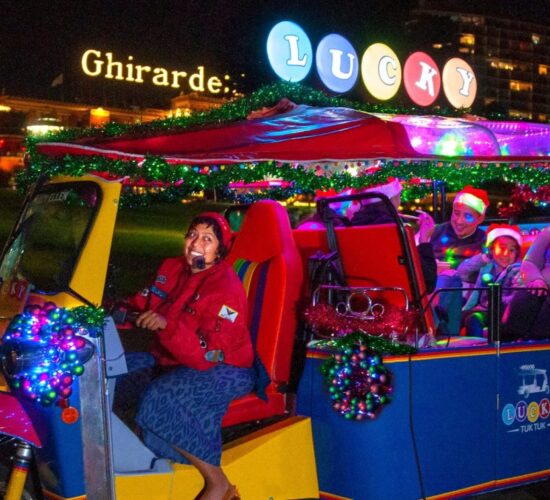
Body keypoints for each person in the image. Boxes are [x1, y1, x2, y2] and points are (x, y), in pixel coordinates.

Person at [124, 212, 254, 500]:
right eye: (192, 234)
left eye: (207, 239)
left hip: (225, 368)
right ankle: (139, 465)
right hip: (173, 358)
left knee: (159, 398)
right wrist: (111, 307)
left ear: (220, 251)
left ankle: (217, 482)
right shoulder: (174, 268)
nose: (196, 243)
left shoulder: (225, 291)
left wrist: (166, 326)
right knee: (118, 374)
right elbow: (146, 300)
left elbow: (204, 357)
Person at [417, 185, 490, 335]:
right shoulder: (435, 232)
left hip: (463, 302)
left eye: (467, 216)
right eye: (456, 213)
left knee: (449, 279)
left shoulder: (486, 242)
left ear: (480, 218)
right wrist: (423, 238)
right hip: (429, 293)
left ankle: (427, 331)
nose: (459, 221)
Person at [457, 224, 523, 337]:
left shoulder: (516, 271)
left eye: (512, 250)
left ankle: (480, 351)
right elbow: (461, 272)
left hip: (501, 313)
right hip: (483, 310)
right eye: (501, 248)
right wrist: (483, 258)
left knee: (474, 320)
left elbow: (514, 299)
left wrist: (491, 302)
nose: (506, 254)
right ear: (492, 249)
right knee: (457, 316)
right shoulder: (486, 267)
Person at [501, 226, 550, 341]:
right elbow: (529, 262)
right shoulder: (548, 233)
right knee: (526, 297)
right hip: (542, 288)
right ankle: (507, 345)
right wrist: (536, 279)